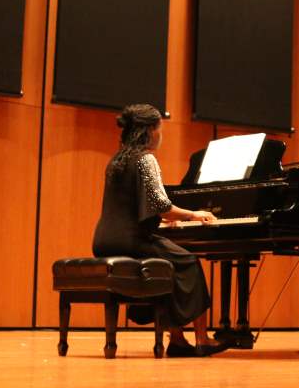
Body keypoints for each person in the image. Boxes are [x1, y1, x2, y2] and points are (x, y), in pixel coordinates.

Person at [92, 103, 227, 357]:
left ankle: (177, 339)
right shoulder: (146, 159)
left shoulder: (116, 161)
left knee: (167, 268)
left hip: (104, 240)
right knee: (188, 262)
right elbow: (161, 205)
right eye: (159, 129)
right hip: (132, 241)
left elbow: (129, 207)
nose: (161, 135)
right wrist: (194, 214)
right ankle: (201, 339)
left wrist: (161, 222)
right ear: (149, 131)